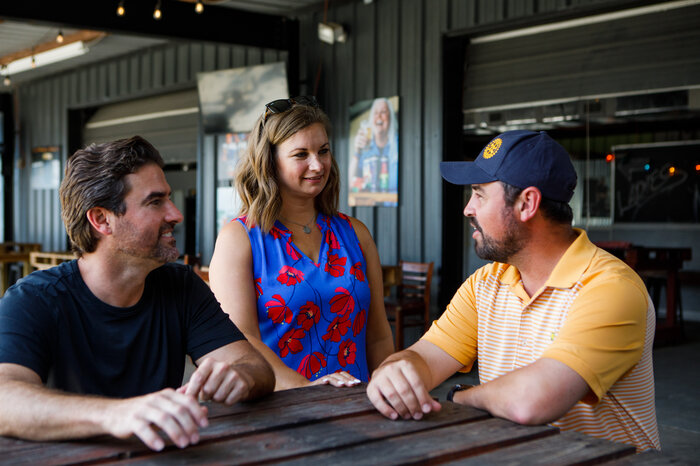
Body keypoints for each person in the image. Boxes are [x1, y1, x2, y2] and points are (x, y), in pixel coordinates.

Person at [367, 130, 660, 452]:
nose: (468, 209)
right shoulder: (485, 284)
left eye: (479, 194)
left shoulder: (610, 287)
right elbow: (425, 357)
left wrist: (460, 397)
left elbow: (532, 401)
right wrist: (394, 373)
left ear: (527, 204)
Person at [0, 136, 274, 451]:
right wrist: (116, 414)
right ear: (102, 220)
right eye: (155, 202)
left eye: (168, 198)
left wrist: (241, 377)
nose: (176, 214)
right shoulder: (34, 299)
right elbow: (5, 398)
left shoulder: (182, 286)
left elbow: (256, 367)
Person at [209, 96, 394, 391]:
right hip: (281, 406)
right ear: (270, 162)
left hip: (358, 404)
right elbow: (241, 340)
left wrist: (391, 391)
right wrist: (308, 391)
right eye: (301, 155)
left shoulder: (355, 233)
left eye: (323, 151)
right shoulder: (240, 238)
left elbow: (379, 336)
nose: (317, 165)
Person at [349, 98, 398, 194]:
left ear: (390, 117)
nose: (378, 116)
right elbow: (350, 184)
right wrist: (357, 152)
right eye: (375, 113)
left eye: (383, 112)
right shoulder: (365, 147)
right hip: (370, 201)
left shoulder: (399, 144)